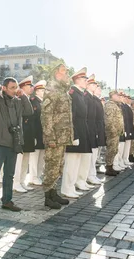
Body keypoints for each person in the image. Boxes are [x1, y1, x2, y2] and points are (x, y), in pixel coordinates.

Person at [0, 77, 33, 212]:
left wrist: (23, 95)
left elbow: (29, 111)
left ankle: (7, 201)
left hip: (14, 143)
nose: (15, 90)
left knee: (9, 175)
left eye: (16, 88)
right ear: (4, 88)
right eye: (12, 88)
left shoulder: (17, 102)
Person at [40, 63, 73, 209]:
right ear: (56, 74)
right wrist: (50, 137)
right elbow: (46, 116)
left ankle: (53, 193)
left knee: (58, 166)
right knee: (51, 166)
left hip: (63, 136)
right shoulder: (52, 90)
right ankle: (47, 197)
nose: (67, 74)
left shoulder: (62, 91)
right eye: (64, 72)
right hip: (54, 137)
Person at [61, 68, 94, 197]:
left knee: (77, 162)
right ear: (78, 80)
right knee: (71, 163)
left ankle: (72, 186)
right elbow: (71, 116)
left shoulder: (79, 94)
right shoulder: (73, 93)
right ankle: (66, 188)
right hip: (75, 132)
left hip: (81, 130)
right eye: (85, 79)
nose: (86, 82)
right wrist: (73, 135)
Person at [13, 76, 36, 193]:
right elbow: (27, 113)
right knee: (19, 160)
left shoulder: (26, 98)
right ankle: (16, 182)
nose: (32, 88)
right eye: (29, 86)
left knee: (25, 159)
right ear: (22, 87)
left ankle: (22, 181)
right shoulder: (19, 98)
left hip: (27, 133)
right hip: (20, 133)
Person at [27, 80, 46, 186]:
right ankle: (33, 177)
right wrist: (33, 135)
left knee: (41, 157)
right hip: (36, 133)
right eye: (41, 90)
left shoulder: (43, 102)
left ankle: (38, 176)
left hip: (43, 134)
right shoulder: (33, 102)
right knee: (35, 157)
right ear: (36, 91)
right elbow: (32, 120)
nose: (43, 92)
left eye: (44, 90)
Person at [85, 75, 102, 185]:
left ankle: (92, 174)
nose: (96, 87)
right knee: (90, 155)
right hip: (90, 128)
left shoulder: (94, 99)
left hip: (95, 128)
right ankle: (89, 175)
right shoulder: (87, 97)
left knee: (94, 154)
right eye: (94, 85)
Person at [104, 91, 124, 176]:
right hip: (112, 132)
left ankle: (111, 167)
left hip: (116, 132)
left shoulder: (116, 105)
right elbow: (108, 120)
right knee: (111, 149)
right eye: (117, 95)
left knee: (114, 150)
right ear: (112, 96)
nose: (119, 97)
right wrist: (113, 130)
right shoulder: (109, 105)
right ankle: (108, 167)